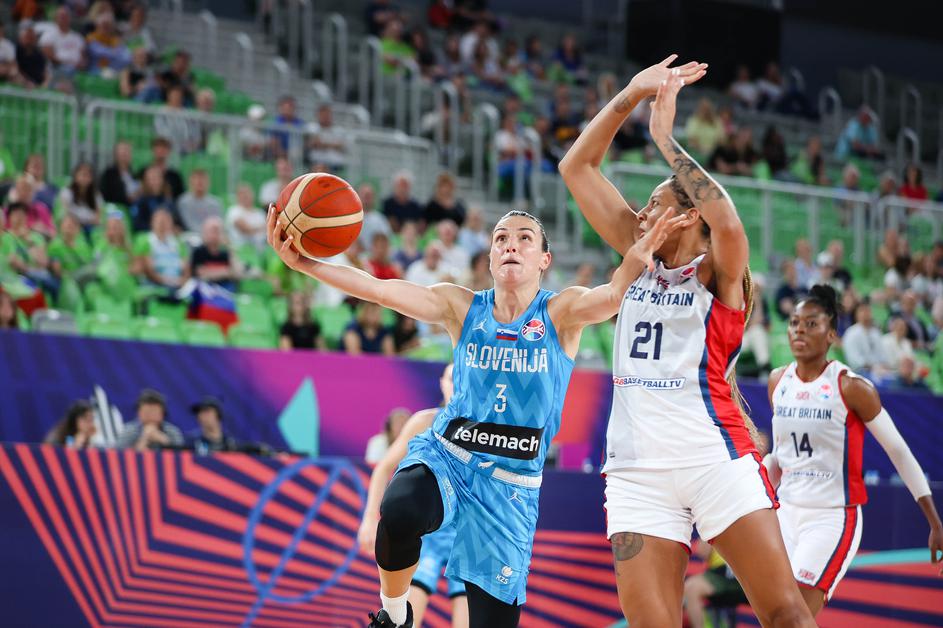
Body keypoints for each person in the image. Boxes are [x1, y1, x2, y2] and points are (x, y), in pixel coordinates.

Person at [266, 173, 683, 627]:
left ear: (544, 259)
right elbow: (378, 289)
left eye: (524, 238)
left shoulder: (561, 312)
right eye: (501, 238)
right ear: (489, 257)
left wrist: (639, 254)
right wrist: (307, 266)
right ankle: (394, 616)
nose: (511, 245)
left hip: (510, 485)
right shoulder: (461, 306)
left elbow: (614, 294)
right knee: (400, 508)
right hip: (451, 456)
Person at [559, 55, 815, 627]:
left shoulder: (718, 272)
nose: (641, 212)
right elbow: (576, 167)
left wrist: (665, 138)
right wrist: (630, 93)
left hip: (715, 458)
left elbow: (728, 223)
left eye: (655, 203)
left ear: (691, 214)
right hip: (637, 473)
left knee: (786, 614)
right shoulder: (636, 254)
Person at [765, 285, 942, 616]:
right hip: (786, 512)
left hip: (831, 516)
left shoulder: (851, 387)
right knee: (773, 616)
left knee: (795, 616)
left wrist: (934, 521)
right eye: (794, 323)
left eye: (811, 324)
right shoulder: (778, 381)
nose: (799, 330)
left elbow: (899, 451)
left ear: (832, 334)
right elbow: (781, 455)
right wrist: (762, 474)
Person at [359, 364, 469, 628]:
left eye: (462, 377)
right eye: (451, 378)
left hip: (465, 535)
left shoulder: (485, 429)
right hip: (427, 533)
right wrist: (370, 518)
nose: (456, 383)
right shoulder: (424, 421)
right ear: (441, 382)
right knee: (402, 616)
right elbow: (384, 468)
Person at [116, 388, 185, 451]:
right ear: (138, 413)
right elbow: (118, 454)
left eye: (154, 412)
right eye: (146, 412)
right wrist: (144, 439)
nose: (150, 416)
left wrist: (164, 440)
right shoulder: (130, 430)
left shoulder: (172, 431)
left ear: (163, 413)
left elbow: (182, 454)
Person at [190, 217, 236, 291]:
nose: (216, 234)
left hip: (226, 289)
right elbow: (202, 274)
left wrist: (230, 248)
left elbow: (236, 273)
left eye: (219, 231)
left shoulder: (225, 253)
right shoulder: (199, 251)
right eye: (213, 231)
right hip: (205, 289)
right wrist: (226, 271)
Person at [59, 162, 103, 230]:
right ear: (75, 176)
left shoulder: (96, 194)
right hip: (73, 227)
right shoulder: (67, 192)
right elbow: (65, 214)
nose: (85, 178)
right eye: (83, 174)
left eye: (88, 175)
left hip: (91, 227)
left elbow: (98, 217)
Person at [226, 183, 266, 252]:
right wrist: (261, 228)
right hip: (241, 250)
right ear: (237, 197)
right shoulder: (234, 210)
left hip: (262, 249)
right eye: (242, 193)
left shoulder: (260, 213)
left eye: (247, 193)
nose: (245, 196)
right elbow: (245, 229)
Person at [99, 140, 141, 206]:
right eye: (122, 152)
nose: (125, 155)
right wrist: (132, 197)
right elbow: (110, 196)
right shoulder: (109, 174)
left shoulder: (134, 174)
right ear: (115, 154)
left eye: (127, 151)